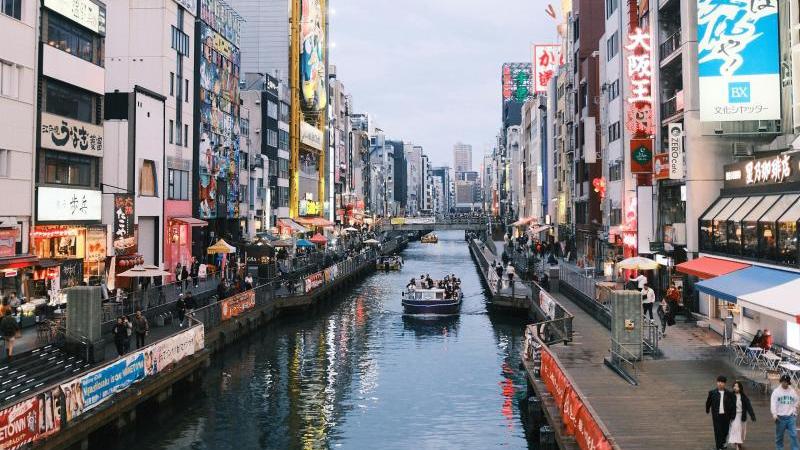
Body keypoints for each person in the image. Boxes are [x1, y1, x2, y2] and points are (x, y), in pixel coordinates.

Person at [706, 375, 735, 450]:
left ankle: (723, 443)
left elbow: (732, 405)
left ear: (724, 384)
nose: (720, 384)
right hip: (716, 415)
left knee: (725, 430)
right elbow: (708, 402)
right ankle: (719, 447)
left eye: (722, 382)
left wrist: (732, 415)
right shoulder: (712, 393)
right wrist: (707, 409)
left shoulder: (729, 394)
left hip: (726, 415)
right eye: (718, 382)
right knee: (718, 431)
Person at [772, 373, 800, 450]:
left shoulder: (792, 391)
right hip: (780, 418)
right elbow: (773, 403)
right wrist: (774, 414)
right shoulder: (776, 392)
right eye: (783, 381)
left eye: (786, 382)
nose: (785, 383)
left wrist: (794, 412)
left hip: (790, 417)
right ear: (781, 381)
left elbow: (797, 400)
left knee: (794, 435)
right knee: (779, 437)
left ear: (788, 382)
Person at [727, 380, 756, 450]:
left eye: (737, 386)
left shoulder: (744, 397)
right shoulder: (730, 396)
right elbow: (727, 406)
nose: (735, 388)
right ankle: (737, 445)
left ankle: (739, 443)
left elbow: (749, 406)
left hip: (742, 416)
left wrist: (752, 415)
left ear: (740, 388)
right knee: (735, 429)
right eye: (734, 386)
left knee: (741, 431)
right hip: (734, 416)